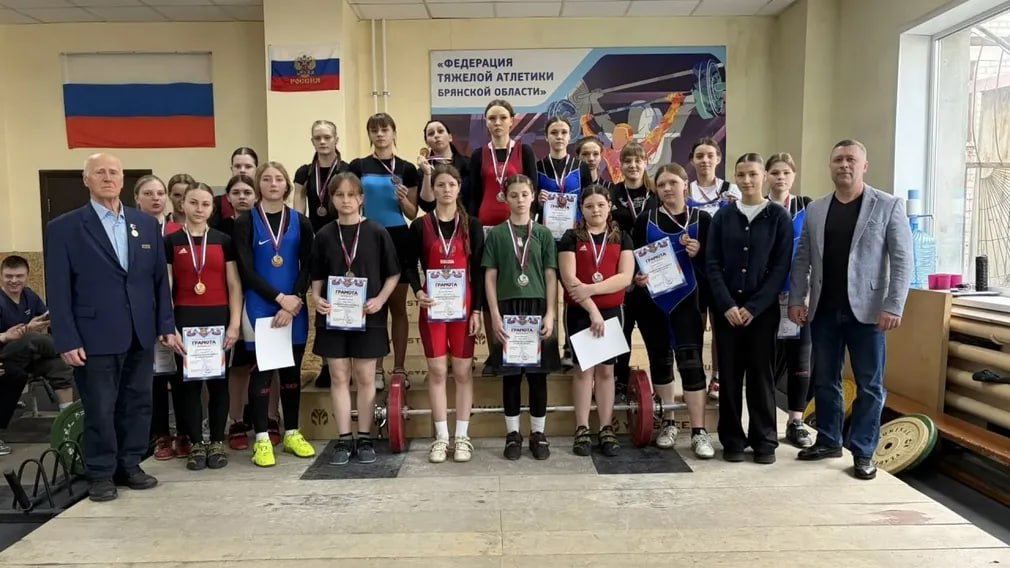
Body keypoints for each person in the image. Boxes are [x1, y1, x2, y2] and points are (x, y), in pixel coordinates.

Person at [44, 153, 179, 502]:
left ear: (122, 180)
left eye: (113, 172)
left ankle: (129, 464)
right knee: (101, 408)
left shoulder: (145, 224)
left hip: (140, 332)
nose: (107, 177)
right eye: (99, 172)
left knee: (138, 404)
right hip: (93, 336)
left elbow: (158, 282)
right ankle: (101, 473)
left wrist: (165, 323)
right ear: (86, 179)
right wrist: (66, 338)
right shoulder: (64, 228)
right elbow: (58, 289)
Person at [789, 139, 913, 480]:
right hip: (824, 310)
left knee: (870, 385)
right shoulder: (816, 209)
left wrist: (894, 304)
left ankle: (863, 452)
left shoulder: (888, 205)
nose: (844, 165)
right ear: (830, 166)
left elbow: (903, 260)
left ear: (864, 166)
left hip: (869, 313)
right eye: (838, 160)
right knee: (826, 380)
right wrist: (797, 298)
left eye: (851, 160)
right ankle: (829, 440)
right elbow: (802, 259)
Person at [707, 153, 793, 464]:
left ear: (764, 177)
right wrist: (727, 305)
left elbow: (780, 267)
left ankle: (764, 441)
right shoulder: (723, 217)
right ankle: (732, 440)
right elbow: (712, 263)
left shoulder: (778, 217)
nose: (747, 180)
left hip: (762, 313)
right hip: (727, 312)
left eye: (753, 174)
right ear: (735, 177)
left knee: (760, 377)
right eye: (741, 175)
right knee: (729, 377)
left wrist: (754, 307)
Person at [311, 172, 400, 465]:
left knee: (365, 377)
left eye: (351, 194)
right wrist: (316, 298)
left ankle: (364, 437)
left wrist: (381, 299)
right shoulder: (324, 235)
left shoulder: (377, 231)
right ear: (332, 199)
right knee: (338, 376)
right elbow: (316, 274)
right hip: (334, 316)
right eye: (340, 195)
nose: (346, 200)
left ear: (361, 198)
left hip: (367, 315)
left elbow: (393, 273)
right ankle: (343, 438)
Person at [233, 162, 316, 467]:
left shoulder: (301, 222)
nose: (272, 183)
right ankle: (262, 440)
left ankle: (292, 432)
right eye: (266, 179)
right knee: (263, 373)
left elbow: (308, 266)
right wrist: (280, 299)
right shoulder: (245, 222)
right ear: (259, 185)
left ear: (286, 185)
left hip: (294, 307)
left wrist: (294, 299)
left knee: (291, 373)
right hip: (262, 306)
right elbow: (246, 270)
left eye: (278, 178)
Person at [632, 164, 715, 458]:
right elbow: (634, 259)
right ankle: (668, 422)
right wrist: (637, 277)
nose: (667, 188)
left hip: (689, 301)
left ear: (685, 184)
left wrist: (700, 253)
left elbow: (715, 264)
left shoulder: (702, 219)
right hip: (653, 302)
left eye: (672, 183)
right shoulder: (646, 219)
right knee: (660, 361)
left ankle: (698, 430)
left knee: (691, 363)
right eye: (661, 184)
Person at [405, 165, 484, 463]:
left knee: (463, 373)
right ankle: (441, 437)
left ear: (459, 188)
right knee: (437, 372)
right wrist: (418, 292)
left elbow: (479, 270)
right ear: (433, 189)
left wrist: (477, 309)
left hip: (463, 307)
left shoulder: (472, 225)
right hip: (434, 307)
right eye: (441, 185)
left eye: (451, 184)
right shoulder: (420, 225)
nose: (446, 190)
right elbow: (408, 264)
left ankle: (462, 436)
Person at [165, 182, 243, 470]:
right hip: (185, 320)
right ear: (182, 204)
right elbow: (166, 287)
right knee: (189, 386)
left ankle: (217, 442)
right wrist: (169, 326)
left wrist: (234, 324)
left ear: (213, 208)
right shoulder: (171, 242)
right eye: (194, 202)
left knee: (219, 383)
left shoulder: (224, 240)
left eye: (205, 204)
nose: (199, 209)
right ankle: (196, 442)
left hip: (218, 320)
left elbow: (234, 286)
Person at [482, 174, 560, 460]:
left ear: (533, 196)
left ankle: (538, 434)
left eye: (524, 194)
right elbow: (490, 277)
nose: (519, 200)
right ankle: (513, 434)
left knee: (538, 378)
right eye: (513, 195)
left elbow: (551, 276)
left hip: (538, 309)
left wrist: (551, 313)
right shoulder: (496, 234)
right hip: (507, 309)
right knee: (511, 377)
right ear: (505, 198)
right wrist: (494, 315)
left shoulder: (543, 233)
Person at [558, 185, 633, 457]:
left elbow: (624, 277)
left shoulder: (621, 237)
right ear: (582, 209)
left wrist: (590, 289)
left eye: (600, 204)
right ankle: (581, 428)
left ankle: (605, 427)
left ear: (609, 205)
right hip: (580, 313)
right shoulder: (570, 237)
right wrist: (592, 309)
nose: (595, 210)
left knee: (606, 372)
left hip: (612, 312)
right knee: (583, 371)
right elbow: (569, 279)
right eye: (589, 206)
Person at [348, 113, 420, 389]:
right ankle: (376, 369)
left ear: (393, 132)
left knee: (398, 307)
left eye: (384, 129)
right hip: (367, 238)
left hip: (398, 238)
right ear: (369, 134)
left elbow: (412, 213)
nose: (379, 134)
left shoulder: (407, 168)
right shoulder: (358, 165)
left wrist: (403, 201)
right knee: (373, 307)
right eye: (374, 130)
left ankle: (399, 368)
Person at [468, 99, 539, 377]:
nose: (497, 123)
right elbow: (473, 196)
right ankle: (495, 352)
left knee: (516, 286)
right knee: (490, 292)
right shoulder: (478, 155)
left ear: (512, 120)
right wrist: (473, 228)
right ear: (486, 123)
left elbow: (532, 191)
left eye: (502, 117)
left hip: (517, 229)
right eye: (491, 118)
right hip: (487, 229)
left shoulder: (524, 151)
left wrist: (529, 226)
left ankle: (521, 348)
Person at [133, 175, 189, 461]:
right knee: (153, 378)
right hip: (143, 314)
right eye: (148, 193)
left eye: (160, 193)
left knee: (180, 375)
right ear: (136, 198)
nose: (156, 198)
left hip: (177, 311)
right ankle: (160, 435)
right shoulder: (130, 230)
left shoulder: (180, 231)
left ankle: (185, 433)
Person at [687, 137, 742, 402]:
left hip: (723, 271)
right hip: (695, 269)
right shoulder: (686, 191)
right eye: (700, 156)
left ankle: (718, 377)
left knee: (721, 328)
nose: (705, 160)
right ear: (692, 160)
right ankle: (695, 377)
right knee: (695, 326)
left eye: (710, 155)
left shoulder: (732, 191)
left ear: (718, 158)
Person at [765, 153, 814, 448]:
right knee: (766, 361)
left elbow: (816, 251)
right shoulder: (759, 208)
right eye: (775, 172)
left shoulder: (807, 207)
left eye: (785, 172)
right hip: (767, 298)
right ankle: (765, 423)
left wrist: (808, 292)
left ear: (793, 176)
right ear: (766, 176)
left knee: (800, 360)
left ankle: (796, 421)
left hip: (798, 297)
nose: (780, 177)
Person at [537, 116, 593, 369]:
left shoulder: (581, 167)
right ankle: (546, 350)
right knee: (546, 296)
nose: (559, 137)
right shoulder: (538, 166)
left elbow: (590, 200)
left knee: (574, 294)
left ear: (570, 137)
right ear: (546, 136)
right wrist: (538, 199)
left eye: (563, 132)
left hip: (574, 239)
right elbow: (529, 204)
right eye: (554, 132)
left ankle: (571, 349)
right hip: (546, 239)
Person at [611, 142, 663, 402]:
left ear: (646, 163)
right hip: (621, 273)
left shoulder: (657, 193)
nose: (633, 165)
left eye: (638, 160)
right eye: (628, 161)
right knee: (621, 332)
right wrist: (628, 276)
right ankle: (619, 383)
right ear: (620, 165)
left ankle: (660, 388)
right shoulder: (612, 193)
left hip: (654, 274)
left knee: (655, 336)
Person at [0, 255, 75, 409]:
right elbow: (29, 333)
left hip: (28, 358)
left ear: (27, 276)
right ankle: (68, 350)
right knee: (32, 337)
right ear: (1, 276)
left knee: (58, 364)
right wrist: (8, 335)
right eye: (8, 276)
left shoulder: (29, 295)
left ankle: (67, 414)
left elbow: (45, 316)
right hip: (4, 357)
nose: (14, 280)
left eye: (19, 276)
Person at [294, 120, 350, 234]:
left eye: (327, 137)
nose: (322, 142)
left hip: (342, 232)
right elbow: (299, 208)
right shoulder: (304, 172)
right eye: (317, 138)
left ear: (336, 140)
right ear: (312, 141)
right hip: (314, 233)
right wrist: (302, 232)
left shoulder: (348, 170)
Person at [417, 119, 470, 212]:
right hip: (437, 218)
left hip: (467, 217)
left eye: (440, 131)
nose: (436, 135)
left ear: (450, 137)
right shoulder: (423, 170)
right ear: (427, 142)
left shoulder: (468, 164)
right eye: (431, 134)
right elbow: (426, 206)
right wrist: (427, 174)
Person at [210, 148, 258, 230]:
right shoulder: (216, 204)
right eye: (237, 166)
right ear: (231, 169)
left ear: (256, 169)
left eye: (248, 166)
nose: (242, 170)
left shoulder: (265, 202)